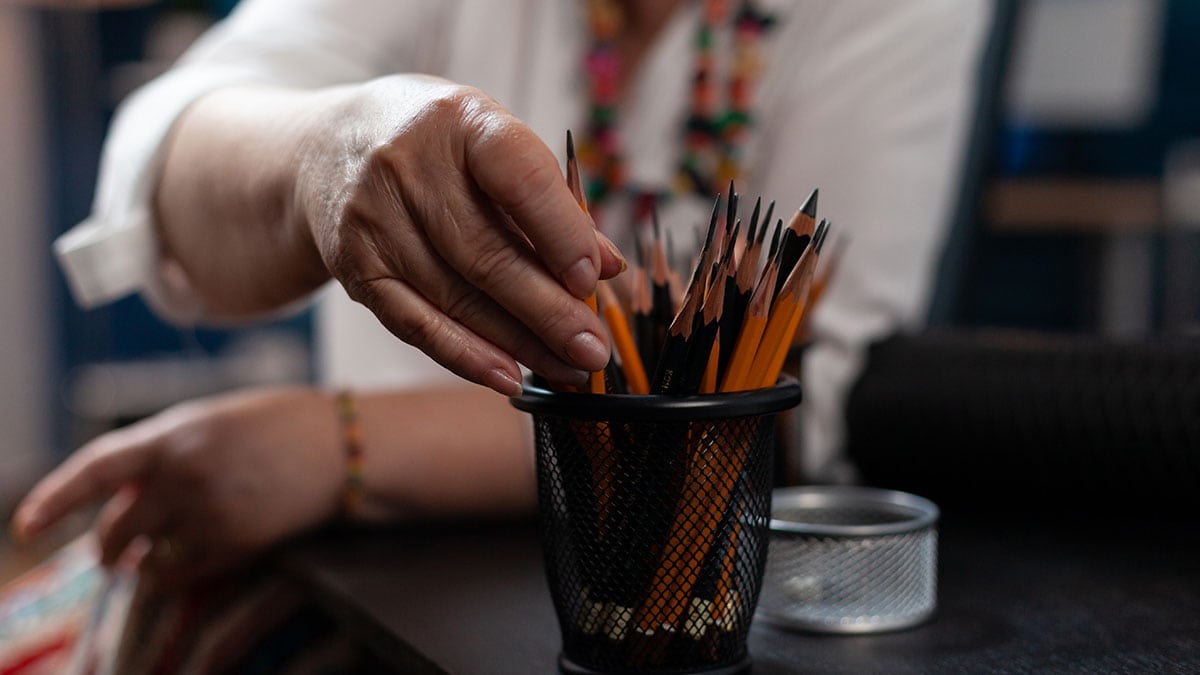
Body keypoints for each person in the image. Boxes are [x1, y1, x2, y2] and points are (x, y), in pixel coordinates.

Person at [16, 0, 991, 607]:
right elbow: (168, 145)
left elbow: (811, 395)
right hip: (382, 583)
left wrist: (339, 446)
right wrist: (326, 150)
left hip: (682, 585)